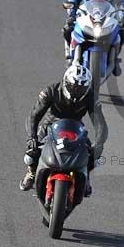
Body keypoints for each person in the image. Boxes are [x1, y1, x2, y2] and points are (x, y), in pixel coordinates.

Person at [20, 64, 108, 193]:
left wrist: (99, 143)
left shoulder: (91, 97)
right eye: (73, 86)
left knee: (93, 155)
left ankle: (85, 177)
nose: (76, 91)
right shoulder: (51, 91)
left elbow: (100, 123)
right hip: (50, 127)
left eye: (81, 88)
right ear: (66, 82)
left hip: (75, 129)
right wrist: (31, 137)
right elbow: (33, 116)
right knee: (32, 151)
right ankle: (32, 172)